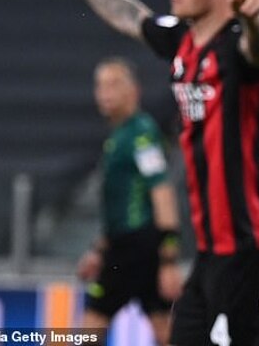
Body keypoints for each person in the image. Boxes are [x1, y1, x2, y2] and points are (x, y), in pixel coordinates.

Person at [25, 0, 259, 345]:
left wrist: (254, 19)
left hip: (247, 252)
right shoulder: (183, 41)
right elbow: (130, 16)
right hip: (210, 254)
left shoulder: (239, 44)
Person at [78, 57, 182, 346]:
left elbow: (161, 191)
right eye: (100, 85)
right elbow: (119, 207)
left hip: (135, 247)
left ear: (133, 91)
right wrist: (99, 250)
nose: (105, 93)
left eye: (114, 84)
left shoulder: (141, 135)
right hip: (130, 246)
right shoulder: (121, 135)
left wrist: (169, 259)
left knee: (90, 328)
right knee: (163, 329)